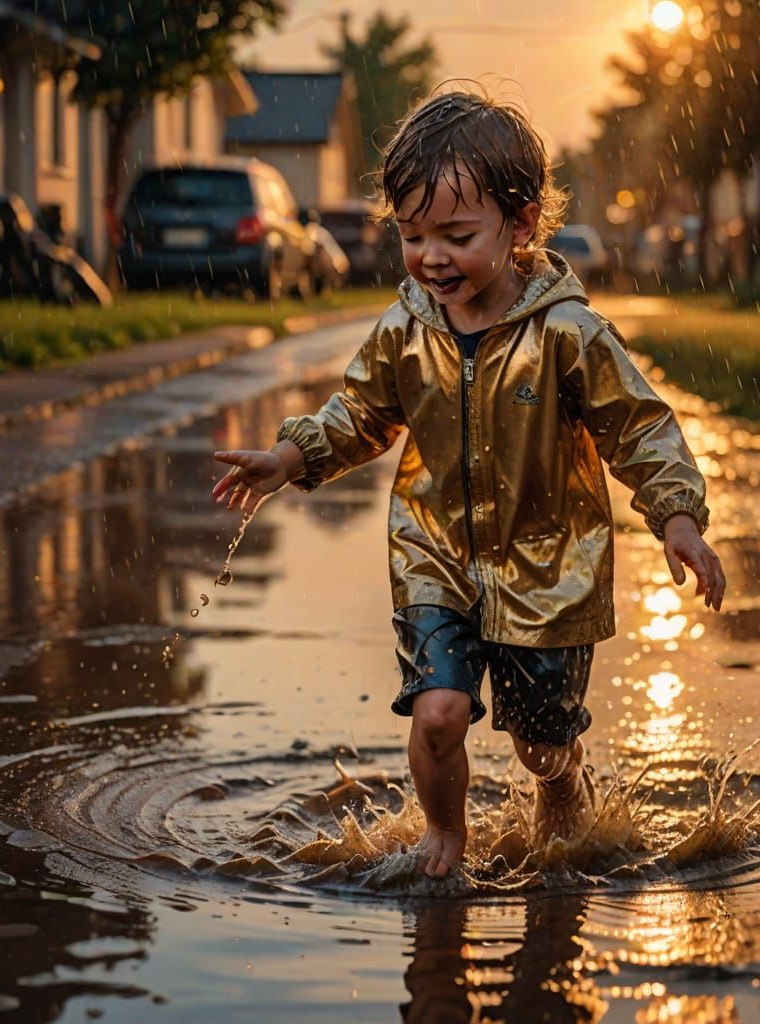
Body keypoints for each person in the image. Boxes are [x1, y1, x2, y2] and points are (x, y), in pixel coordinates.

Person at [211, 87, 726, 880]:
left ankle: (562, 784)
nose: (431, 258)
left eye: (457, 236)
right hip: (435, 557)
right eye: (412, 235)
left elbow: (637, 425)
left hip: (550, 569)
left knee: (541, 744)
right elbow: (359, 414)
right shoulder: (405, 331)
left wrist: (677, 516)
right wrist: (288, 459)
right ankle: (444, 836)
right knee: (439, 712)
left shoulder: (567, 332)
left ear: (521, 226)